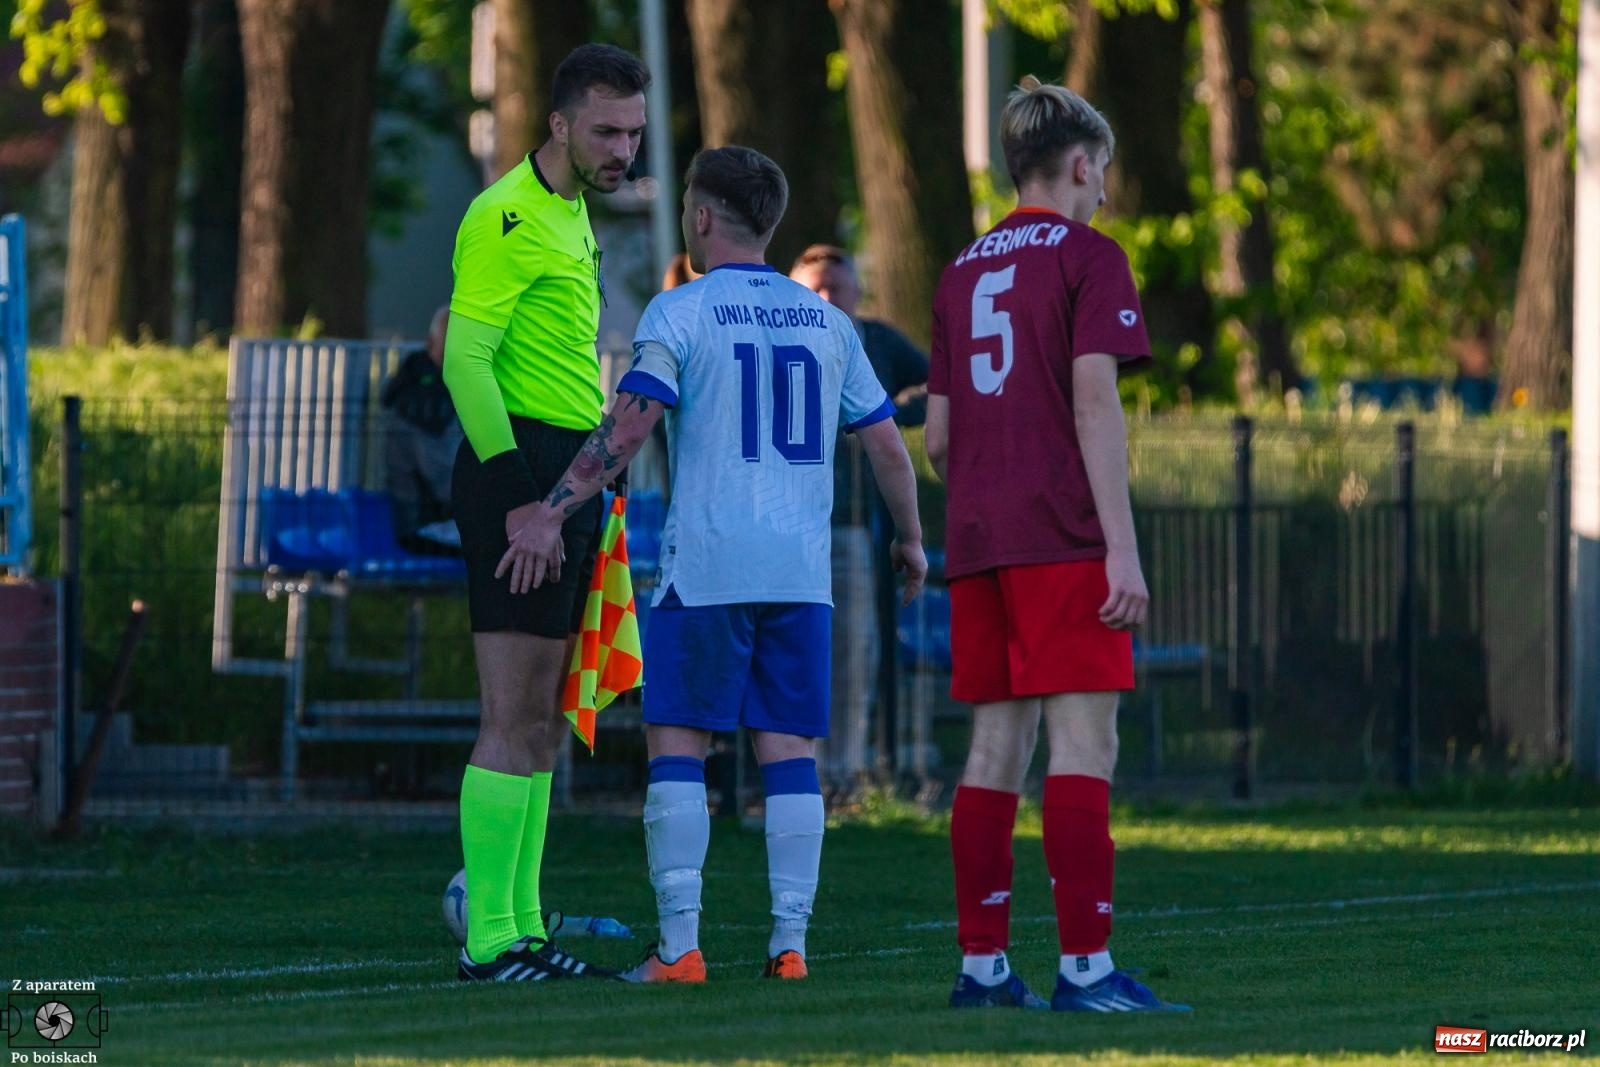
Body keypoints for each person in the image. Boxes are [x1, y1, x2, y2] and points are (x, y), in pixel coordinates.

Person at [503, 146, 929, 984]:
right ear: (769, 223)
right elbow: (885, 443)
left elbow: (626, 432)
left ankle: (681, 947)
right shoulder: (829, 321)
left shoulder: (681, 310)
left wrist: (550, 510)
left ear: (701, 217)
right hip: (801, 577)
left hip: (706, 569)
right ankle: (790, 945)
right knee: (790, 753)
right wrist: (909, 539)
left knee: (678, 747)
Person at [926, 76, 1189, 1013]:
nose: (1105, 190)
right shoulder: (1090, 256)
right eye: (1104, 172)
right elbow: (1093, 399)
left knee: (994, 744)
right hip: (1061, 535)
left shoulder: (960, 269)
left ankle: (984, 967)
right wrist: (1121, 547)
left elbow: (941, 439)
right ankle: (1085, 968)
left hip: (978, 540)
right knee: (1086, 740)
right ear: (1081, 165)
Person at [442, 42, 649, 984]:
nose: (624, 150)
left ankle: (519, 926)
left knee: (544, 723)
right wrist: (525, 497)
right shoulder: (508, 213)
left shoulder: (572, 214)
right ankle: (489, 939)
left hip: (562, 474)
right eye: (607, 131)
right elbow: (464, 361)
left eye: (635, 133)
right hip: (518, 473)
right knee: (511, 714)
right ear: (560, 123)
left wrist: (577, 483)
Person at [789, 245, 928, 784]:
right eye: (815, 287)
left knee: (851, 649)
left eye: (836, 288)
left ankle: (844, 771)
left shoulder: (875, 341)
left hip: (847, 530)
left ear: (856, 292)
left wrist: (882, 415)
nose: (826, 298)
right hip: (780, 525)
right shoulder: (772, 334)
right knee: (789, 649)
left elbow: (940, 383)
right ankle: (786, 773)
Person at [381, 306, 464, 550]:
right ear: (431, 343)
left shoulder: (409, 383)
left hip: (426, 515)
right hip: (423, 522)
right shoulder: (423, 403)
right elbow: (444, 480)